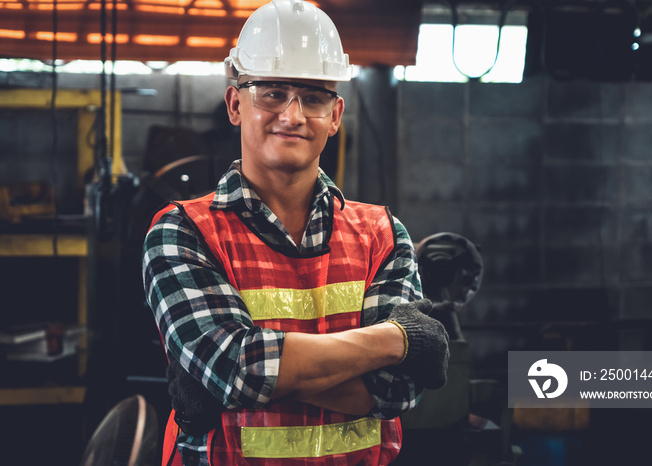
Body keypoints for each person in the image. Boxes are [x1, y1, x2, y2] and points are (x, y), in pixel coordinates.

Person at [142, 1, 450, 464]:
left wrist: (255, 377)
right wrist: (394, 341)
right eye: (271, 92)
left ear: (335, 114)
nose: (292, 115)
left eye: (312, 96)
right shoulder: (184, 232)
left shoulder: (382, 235)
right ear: (234, 103)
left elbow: (397, 390)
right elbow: (237, 369)